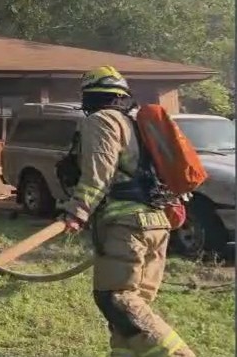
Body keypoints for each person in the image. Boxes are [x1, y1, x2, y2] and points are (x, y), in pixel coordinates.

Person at [61, 66, 194, 357]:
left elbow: (99, 172)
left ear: (90, 95)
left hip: (127, 225)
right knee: (128, 313)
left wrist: (78, 210)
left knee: (115, 299)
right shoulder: (135, 125)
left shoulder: (101, 121)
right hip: (155, 224)